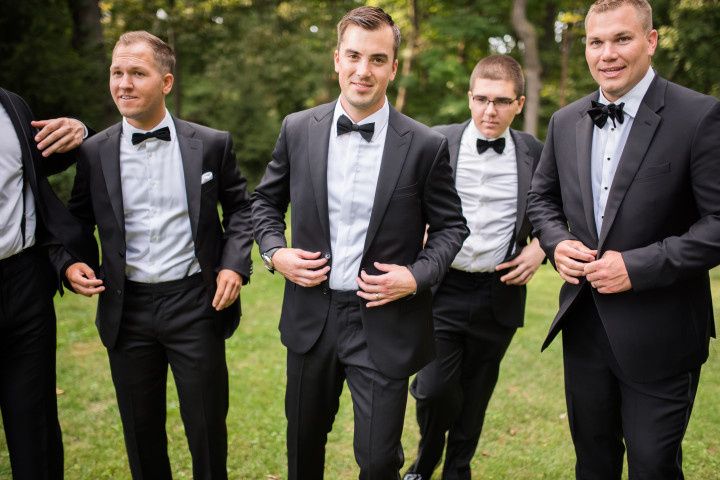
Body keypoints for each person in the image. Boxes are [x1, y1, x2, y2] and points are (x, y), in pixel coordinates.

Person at [251, 6, 468, 479]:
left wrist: (415, 276)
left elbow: (452, 229)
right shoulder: (297, 129)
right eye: (353, 56)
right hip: (313, 316)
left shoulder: (426, 145)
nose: (362, 70)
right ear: (336, 59)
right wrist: (275, 252)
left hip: (385, 321)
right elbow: (264, 204)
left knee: (376, 460)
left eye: (376, 59)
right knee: (302, 446)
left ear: (393, 66)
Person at [526, 0, 720, 478]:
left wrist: (638, 266)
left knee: (654, 466)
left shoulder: (700, 116)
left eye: (622, 39)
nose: (606, 54)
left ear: (650, 41)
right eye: (596, 42)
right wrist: (556, 243)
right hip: (584, 327)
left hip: (664, 331)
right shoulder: (564, 120)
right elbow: (541, 200)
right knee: (593, 464)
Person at [57, 31, 253, 480]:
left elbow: (242, 209)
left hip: (195, 304)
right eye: (117, 72)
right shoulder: (92, 151)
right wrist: (69, 263)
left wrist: (233, 265)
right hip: (127, 310)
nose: (123, 84)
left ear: (165, 82)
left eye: (137, 73)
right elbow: (77, 220)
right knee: (141, 435)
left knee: (206, 428)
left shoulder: (210, 143)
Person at [403, 55, 545, 480]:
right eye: (481, 99)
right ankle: (426, 460)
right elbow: (403, 201)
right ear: (469, 98)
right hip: (442, 287)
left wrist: (540, 248)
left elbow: (562, 206)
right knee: (434, 390)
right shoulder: (434, 142)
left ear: (518, 104)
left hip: (498, 290)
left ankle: (457, 469)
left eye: (501, 101)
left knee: (477, 391)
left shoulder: (533, 152)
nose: (490, 111)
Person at [1, 86, 95, 479]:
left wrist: (78, 131)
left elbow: (37, 170)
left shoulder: (12, 105)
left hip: (24, 283)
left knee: (34, 423)